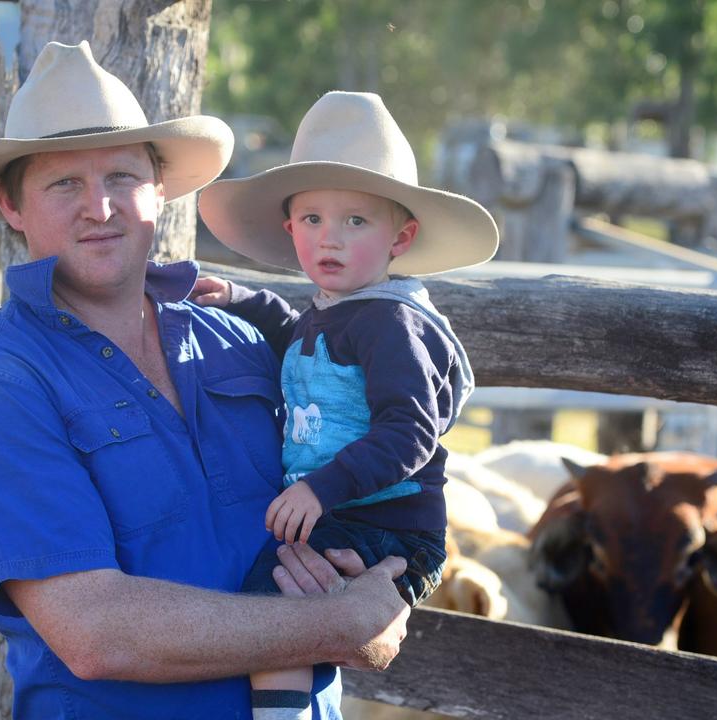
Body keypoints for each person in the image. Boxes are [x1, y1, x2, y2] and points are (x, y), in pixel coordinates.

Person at [0, 42, 410, 719]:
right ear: (11, 204)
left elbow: (359, 484)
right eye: (64, 184)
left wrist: (384, 583)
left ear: (159, 188)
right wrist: (342, 625)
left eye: (121, 177)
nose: (100, 207)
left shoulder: (238, 342)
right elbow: (95, 632)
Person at [192, 91, 499, 720]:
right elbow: (301, 340)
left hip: (389, 519)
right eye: (312, 220)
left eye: (355, 221)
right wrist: (241, 298)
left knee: (270, 599)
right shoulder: (338, 310)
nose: (329, 237)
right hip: (352, 513)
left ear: (400, 237)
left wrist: (321, 489)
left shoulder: (390, 322)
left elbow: (410, 431)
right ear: (290, 229)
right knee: (297, 598)